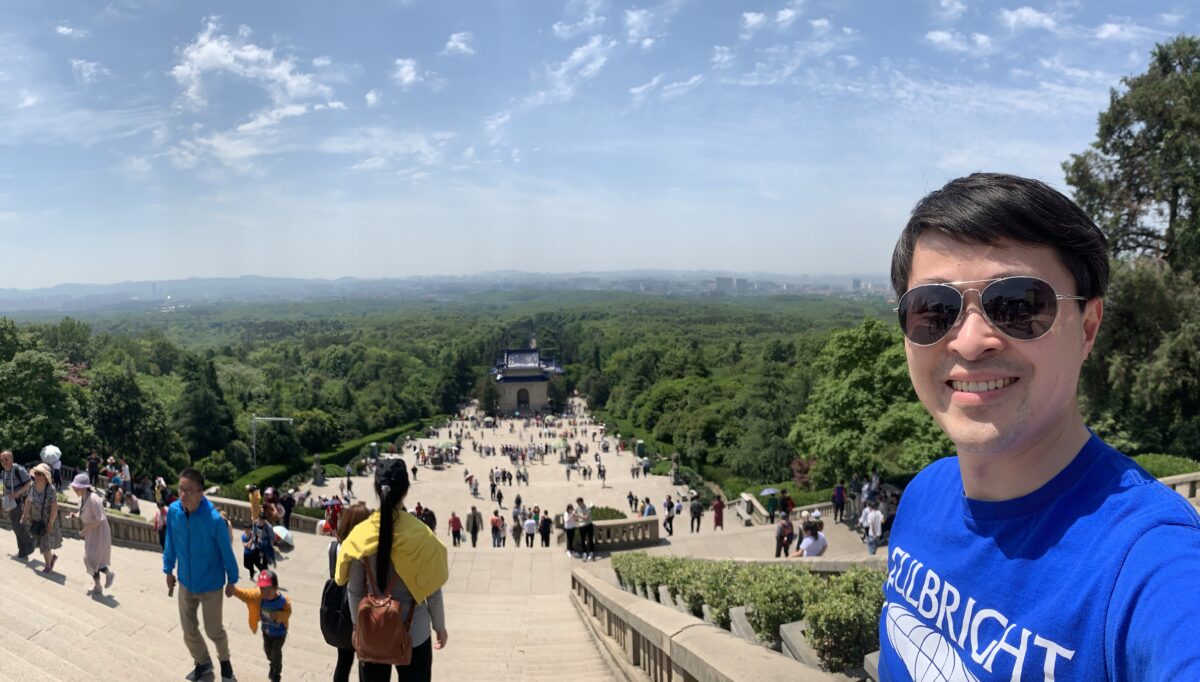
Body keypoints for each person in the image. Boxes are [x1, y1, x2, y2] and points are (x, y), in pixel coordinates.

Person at [879, 173, 1200, 680]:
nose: (969, 342)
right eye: (933, 310)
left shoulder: (1144, 562)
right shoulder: (922, 496)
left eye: (1019, 305)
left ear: (1088, 328)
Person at [336, 460, 449, 681]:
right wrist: (440, 627)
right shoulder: (422, 535)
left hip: (371, 631)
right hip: (414, 633)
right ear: (406, 491)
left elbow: (354, 590)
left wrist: (357, 627)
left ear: (377, 489)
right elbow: (433, 591)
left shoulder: (360, 535)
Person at [163, 468, 240, 682]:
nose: (183, 495)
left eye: (189, 490)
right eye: (181, 489)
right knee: (188, 630)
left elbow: (227, 552)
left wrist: (232, 581)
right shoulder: (174, 512)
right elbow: (170, 541)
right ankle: (203, 662)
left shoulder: (214, 520)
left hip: (211, 584)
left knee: (214, 630)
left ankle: (225, 664)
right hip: (186, 581)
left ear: (201, 493)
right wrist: (168, 569)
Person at [328, 502, 371, 682]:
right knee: (365, 662)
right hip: (362, 612)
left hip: (340, 611)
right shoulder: (364, 551)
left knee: (343, 661)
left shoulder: (333, 547)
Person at [231, 569, 291, 682]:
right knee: (268, 651)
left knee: (276, 652)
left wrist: (278, 615)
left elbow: (287, 613)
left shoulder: (282, 601)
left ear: (276, 588)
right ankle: (272, 664)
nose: (265, 592)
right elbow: (246, 595)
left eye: (268, 589)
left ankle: (277, 672)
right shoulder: (259, 597)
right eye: (262, 589)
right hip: (266, 631)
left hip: (279, 633)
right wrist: (233, 591)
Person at [67, 473, 115, 594]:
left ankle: (105, 578)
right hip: (92, 531)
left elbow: (100, 519)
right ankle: (99, 584)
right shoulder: (82, 498)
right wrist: (75, 515)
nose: (74, 489)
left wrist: (85, 530)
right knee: (91, 559)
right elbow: (83, 512)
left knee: (90, 558)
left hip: (99, 531)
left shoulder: (94, 499)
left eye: (76, 487)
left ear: (83, 487)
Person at [24, 463, 61, 573]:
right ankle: (51, 559)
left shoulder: (51, 489)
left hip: (47, 520)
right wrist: (24, 514)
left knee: (45, 545)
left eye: (39, 474)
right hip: (36, 520)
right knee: (42, 543)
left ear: (45, 476)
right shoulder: (32, 485)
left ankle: (48, 565)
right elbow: (28, 501)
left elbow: (55, 507)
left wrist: (51, 522)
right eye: (35, 473)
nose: (36, 475)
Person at [1, 450, 34, 559]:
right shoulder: (4, 472)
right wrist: (6, 493)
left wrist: (18, 493)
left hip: (20, 501)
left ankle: (30, 543)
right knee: (15, 527)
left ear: (11, 459)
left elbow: (29, 482)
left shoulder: (18, 469)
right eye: (2, 460)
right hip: (11, 503)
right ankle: (22, 550)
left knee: (18, 526)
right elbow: (6, 487)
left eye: (6, 459)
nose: (4, 461)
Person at [575, 497, 595, 561]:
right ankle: (584, 553)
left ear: (582, 502)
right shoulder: (577, 508)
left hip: (589, 525)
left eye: (579, 503)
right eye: (577, 503)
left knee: (590, 539)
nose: (578, 504)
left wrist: (578, 515)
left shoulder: (588, 508)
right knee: (583, 540)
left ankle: (591, 552)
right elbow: (576, 519)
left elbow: (586, 517)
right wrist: (575, 516)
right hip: (582, 526)